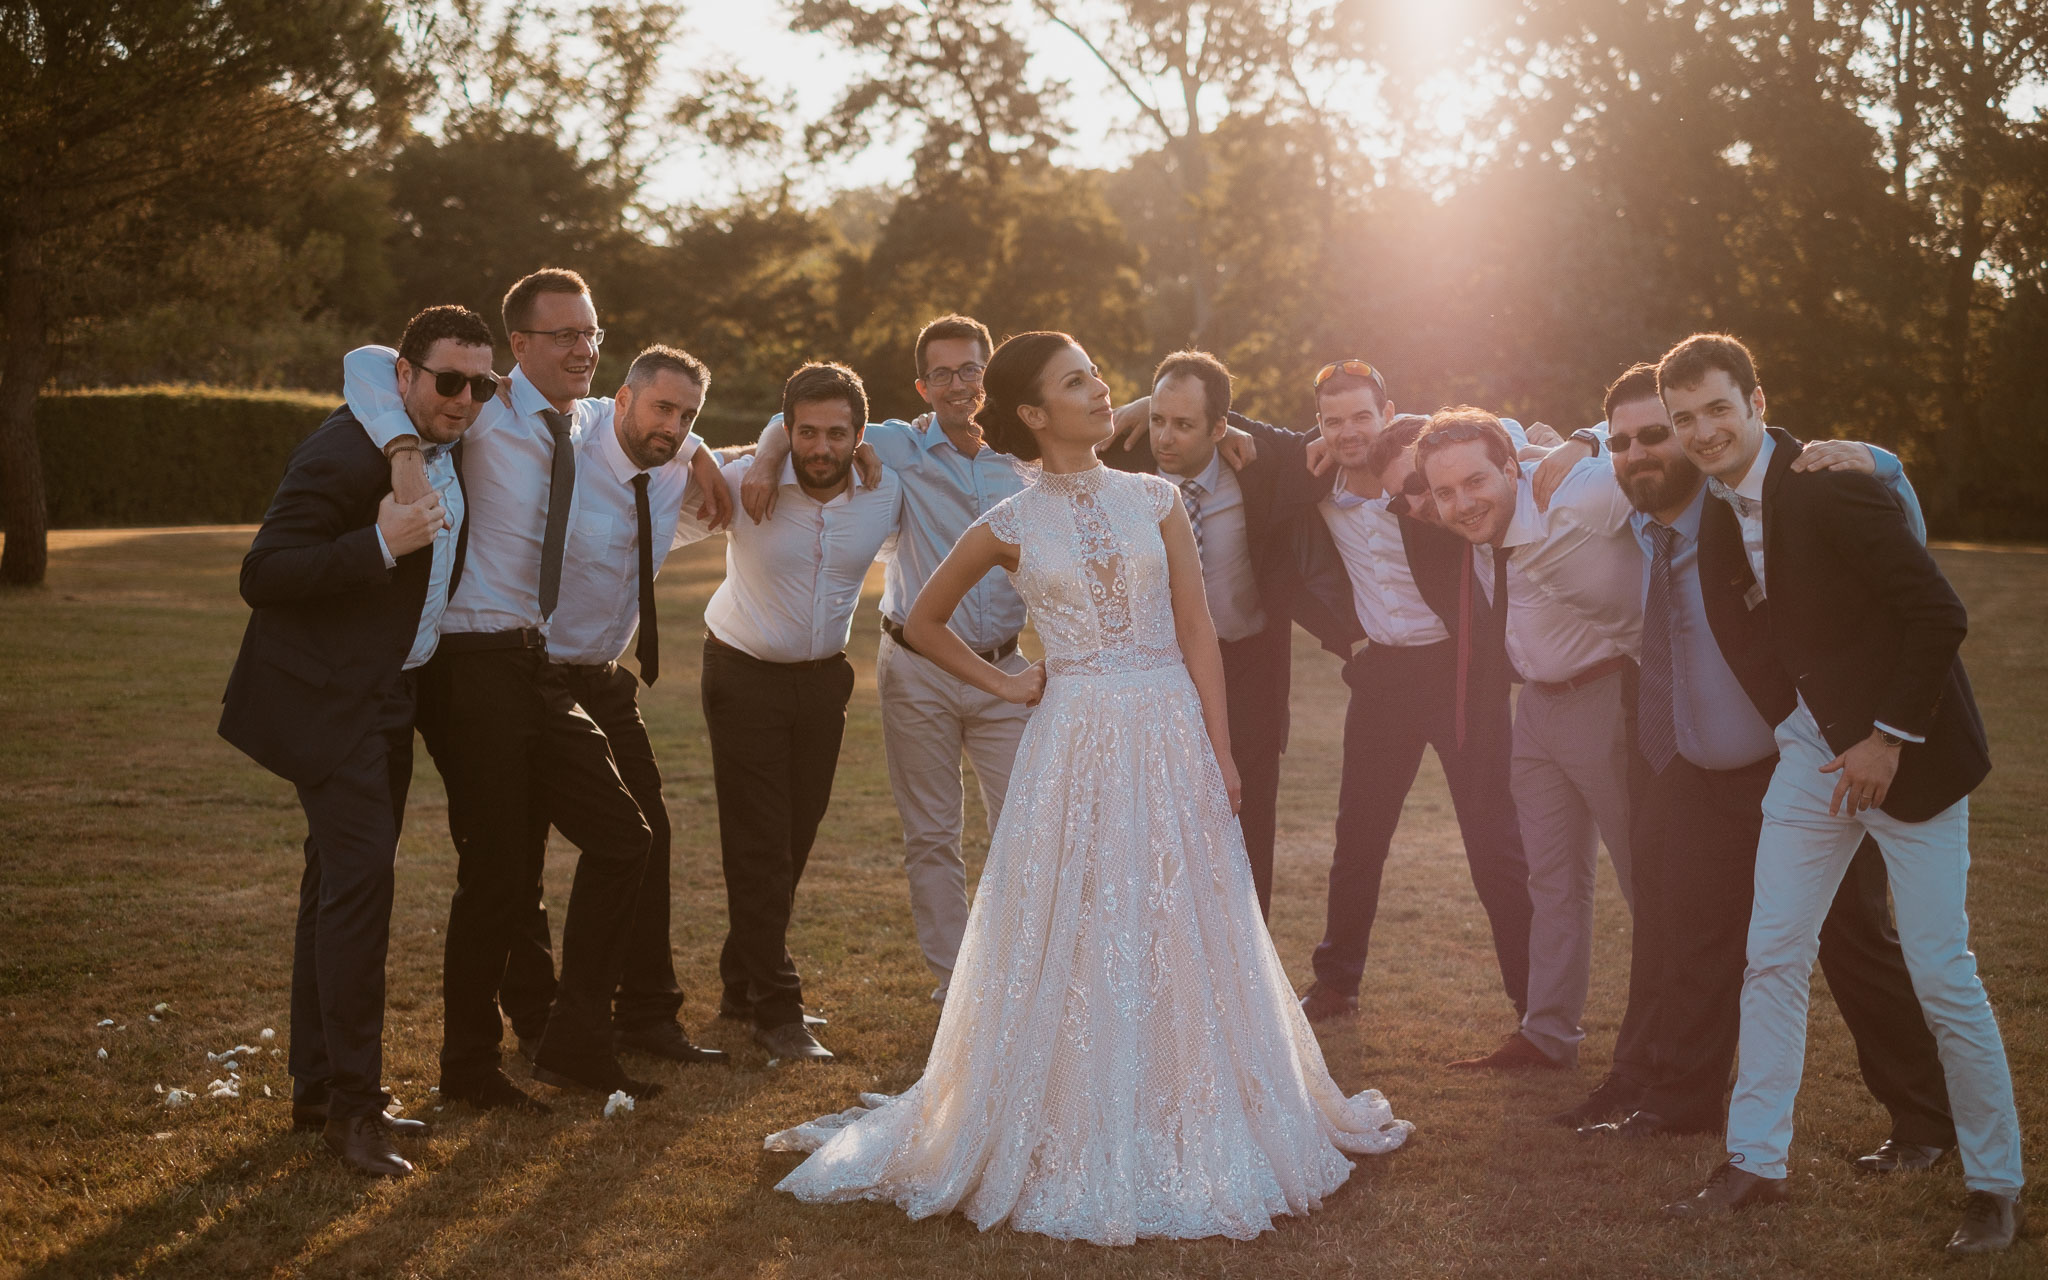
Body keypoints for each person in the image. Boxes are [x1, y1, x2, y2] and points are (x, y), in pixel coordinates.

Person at [763, 332, 1411, 1245]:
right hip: (1069, 738)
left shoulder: (1155, 498)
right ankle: (1065, 1109)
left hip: (1171, 728)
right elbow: (921, 620)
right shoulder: (1010, 524)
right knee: (1075, 918)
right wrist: (1006, 682)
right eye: (1078, 382)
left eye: (1097, 376)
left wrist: (1223, 753)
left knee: (1181, 915)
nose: (1103, 391)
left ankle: (1192, 1099)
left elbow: (1196, 628)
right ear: (1033, 413)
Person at [1654, 334, 2022, 1258]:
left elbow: (1938, 614)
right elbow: (1750, 643)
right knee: (1772, 952)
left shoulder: (1830, 482)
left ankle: (1994, 1182)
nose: (1703, 432)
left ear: (1757, 402)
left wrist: (1884, 738)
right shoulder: (1708, 516)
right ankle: (1754, 1163)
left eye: (1717, 410)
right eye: (1685, 418)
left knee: (1944, 970)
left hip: (1916, 750)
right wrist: (1799, 726)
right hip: (1813, 754)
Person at [1535, 365, 1953, 1155]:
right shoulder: (1633, 529)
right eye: (1621, 442)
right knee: (1693, 940)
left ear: (1695, 433)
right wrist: (1583, 440)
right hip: (1695, 767)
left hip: (1798, 761)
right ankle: (1683, 1102)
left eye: (1656, 432)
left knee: (1854, 944)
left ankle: (1928, 1120)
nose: (1639, 452)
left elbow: (1892, 546)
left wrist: (1886, 461)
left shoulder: (1757, 515)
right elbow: (1500, 450)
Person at [343, 268, 722, 1108]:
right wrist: (405, 450)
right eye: (564, 336)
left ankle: (575, 1043)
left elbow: (652, 424)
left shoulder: (586, 422)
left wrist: (697, 449)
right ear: (519, 347)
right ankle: (469, 1068)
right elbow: (369, 361)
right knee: (500, 875)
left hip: (538, 664)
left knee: (626, 837)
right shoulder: (482, 409)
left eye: (592, 333)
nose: (584, 349)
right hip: (468, 665)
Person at [221, 304, 493, 1175]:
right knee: (362, 883)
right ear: (405, 378)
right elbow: (262, 573)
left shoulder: (439, 443)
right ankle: (353, 1111)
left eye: (478, 385)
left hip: (391, 698)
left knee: (334, 885)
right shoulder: (343, 451)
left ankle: (317, 1090)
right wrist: (376, 543)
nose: (462, 399)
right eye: (446, 380)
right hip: (329, 701)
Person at [1230, 362, 1534, 1032]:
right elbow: (1232, 420)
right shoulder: (1312, 484)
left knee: (1493, 839)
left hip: (1458, 671)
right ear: (1319, 424)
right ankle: (1337, 983)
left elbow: (1503, 441)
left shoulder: (1426, 468)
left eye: (1362, 417)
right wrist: (1344, 638)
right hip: (1381, 675)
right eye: (1332, 420)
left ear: (1387, 413)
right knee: (1358, 836)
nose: (1348, 432)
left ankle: (1533, 998)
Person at [741, 316, 1029, 1008]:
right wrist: (759, 459)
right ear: (923, 385)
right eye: (943, 374)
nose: (958, 385)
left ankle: (1021, 973)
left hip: (1006, 672)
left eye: (970, 371)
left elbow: (1107, 424)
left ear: (988, 378)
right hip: (918, 667)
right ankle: (957, 985)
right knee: (932, 833)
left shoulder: (1026, 453)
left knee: (1025, 824)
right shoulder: (896, 444)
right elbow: (806, 415)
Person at [495, 345, 731, 1068]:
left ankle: (648, 1015)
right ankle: (537, 1016)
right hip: (528, 674)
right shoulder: (573, 435)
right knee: (517, 851)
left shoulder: (671, 467)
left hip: (604, 678)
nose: (674, 425)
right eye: (662, 408)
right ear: (622, 400)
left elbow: (773, 446)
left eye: (688, 414)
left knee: (646, 833)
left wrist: (701, 452)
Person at [1413, 407, 1642, 1073]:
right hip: (1535, 710)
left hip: (1604, 695)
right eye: (1446, 492)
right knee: (1550, 880)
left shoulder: (1572, 489)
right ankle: (1548, 1035)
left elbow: (1650, 426)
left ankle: (1673, 1043)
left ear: (1512, 466)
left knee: (1643, 879)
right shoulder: (1482, 481)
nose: (1462, 502)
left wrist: (1587, 437)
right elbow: (1391, 429)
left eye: (1475, 483)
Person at [688, 362, 904, 1063]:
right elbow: (657, 493)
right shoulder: (747, 479)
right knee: (758, 844)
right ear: (787, 430)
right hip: (741, 675)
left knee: (794, 838)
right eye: (805, 433)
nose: (820, 448)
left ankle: (741, 981)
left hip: (824, 683)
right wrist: (757, 453)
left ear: (858, 435)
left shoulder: (884, 492)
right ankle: (778, 1010)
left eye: (836, 434)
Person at [1100, 349, 1357, 916]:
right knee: (1154, 831)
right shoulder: (1121, 462)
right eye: (1160, 419)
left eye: (1185, 424)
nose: (1165, 437)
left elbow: (1361, 434)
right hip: (1154, 675)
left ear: (1220, 427)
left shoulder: (1260, 465)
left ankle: (1249, 979)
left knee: (1247, 828)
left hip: (1249, 673)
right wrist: (1144, 404)